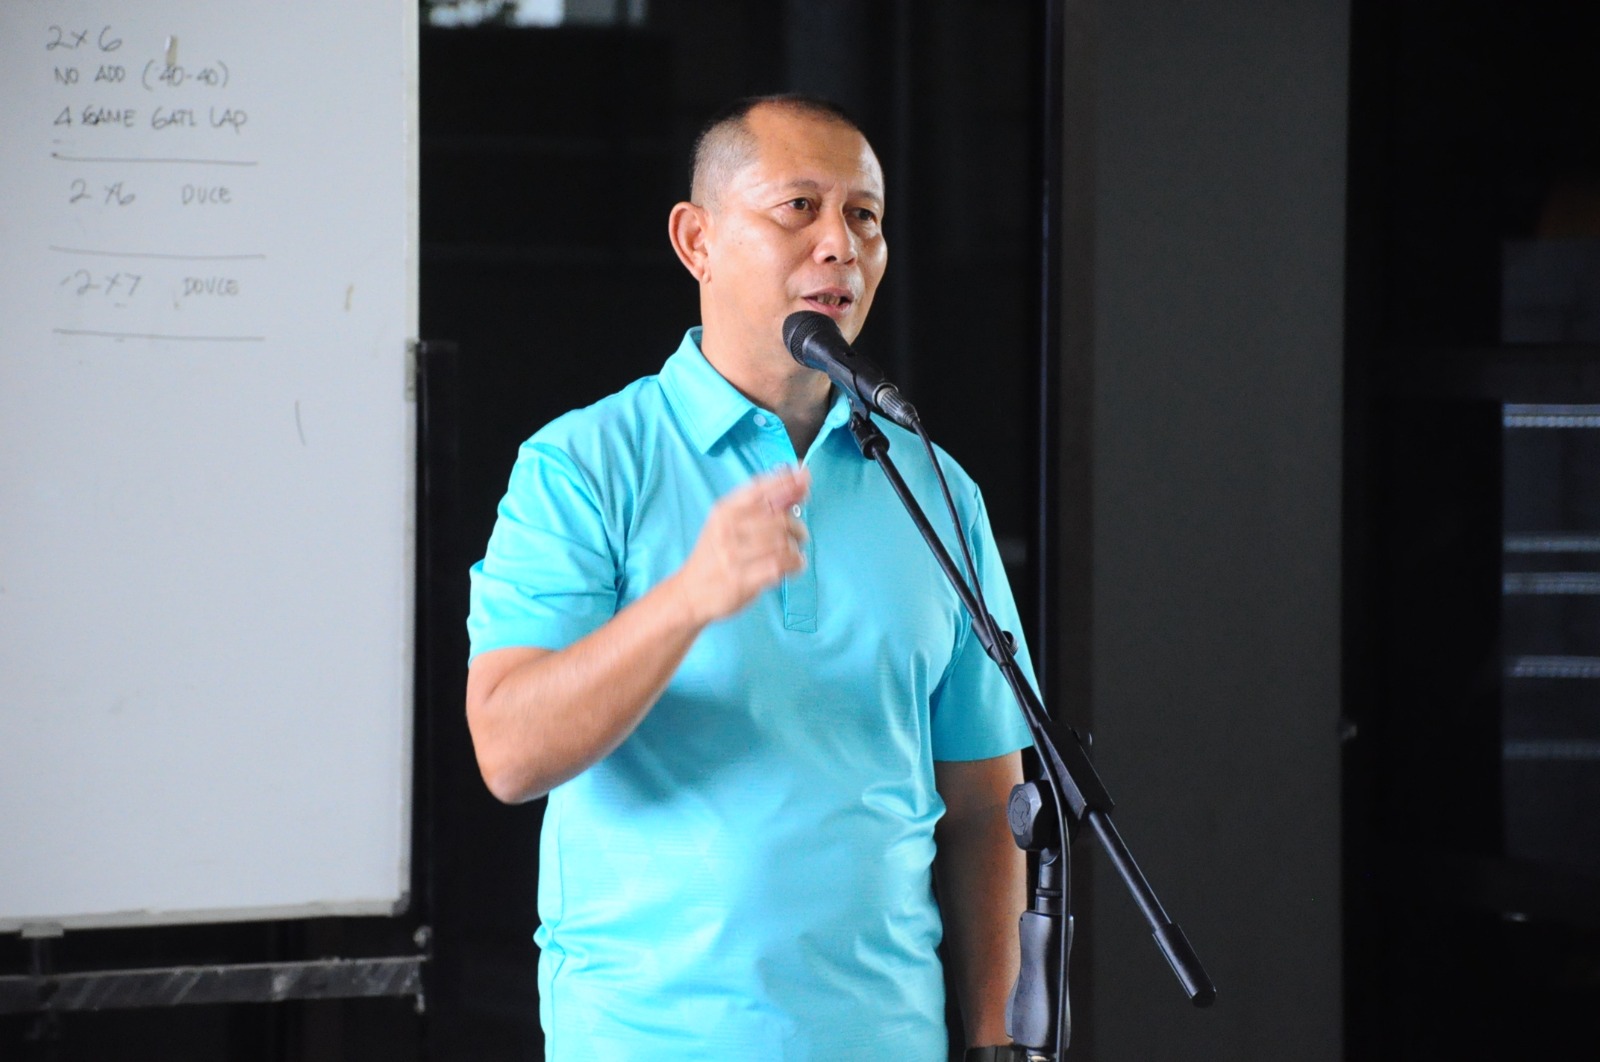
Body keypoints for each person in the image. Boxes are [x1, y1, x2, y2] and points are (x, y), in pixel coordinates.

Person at [465, 94, 1036, 1061]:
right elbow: (511, 754)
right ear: (697, 240)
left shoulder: (936, 487)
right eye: (798, 208)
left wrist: (997, 1042)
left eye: (864, 216)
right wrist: (687, 601)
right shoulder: (581, 466)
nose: (839, 245)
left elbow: (986, 806)